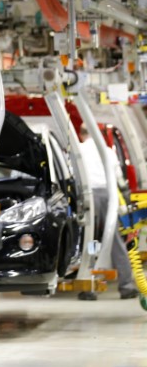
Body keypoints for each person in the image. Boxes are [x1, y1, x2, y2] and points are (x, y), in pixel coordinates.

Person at [77, 123, 138, 299]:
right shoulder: (108, 151)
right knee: (115, 239)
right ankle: (126, 286)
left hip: (89, 196)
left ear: (81, 134)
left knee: (91, 239)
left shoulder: (79, 150)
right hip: (109, 195)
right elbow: (119, 178)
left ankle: (88, 287)